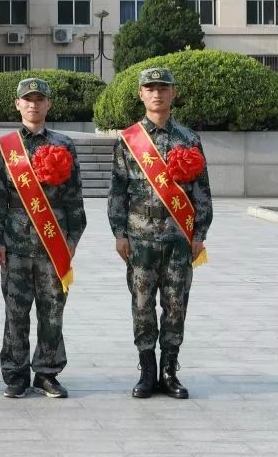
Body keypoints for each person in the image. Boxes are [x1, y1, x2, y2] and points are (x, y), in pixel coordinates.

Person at [108, 67, 212, 399]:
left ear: (173, 93)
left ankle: (169, 370)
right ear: (141, 94)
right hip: (140, 239)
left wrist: (200, 233)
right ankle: (147, 370)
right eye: (150, 88)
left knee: (176, 304)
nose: (157, 94)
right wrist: (119, 233)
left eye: (163, 88)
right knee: (141, 305)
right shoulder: (129, 139)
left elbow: (201, 191)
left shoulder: (189, 138)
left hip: (179, 238)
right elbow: (117, 191)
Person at [0, 78, 86, 398]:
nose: (33, 104)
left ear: (48, 105)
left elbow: (74, 197)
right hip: (15, 244)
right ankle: (15, 374)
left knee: (52, 311)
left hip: (53, 242)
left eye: (39, 99)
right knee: (15, 312)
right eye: (27, 99)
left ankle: (47, 372)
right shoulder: (4, 146)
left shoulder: (63, 144)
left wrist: (72, 239)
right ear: (17, 104)